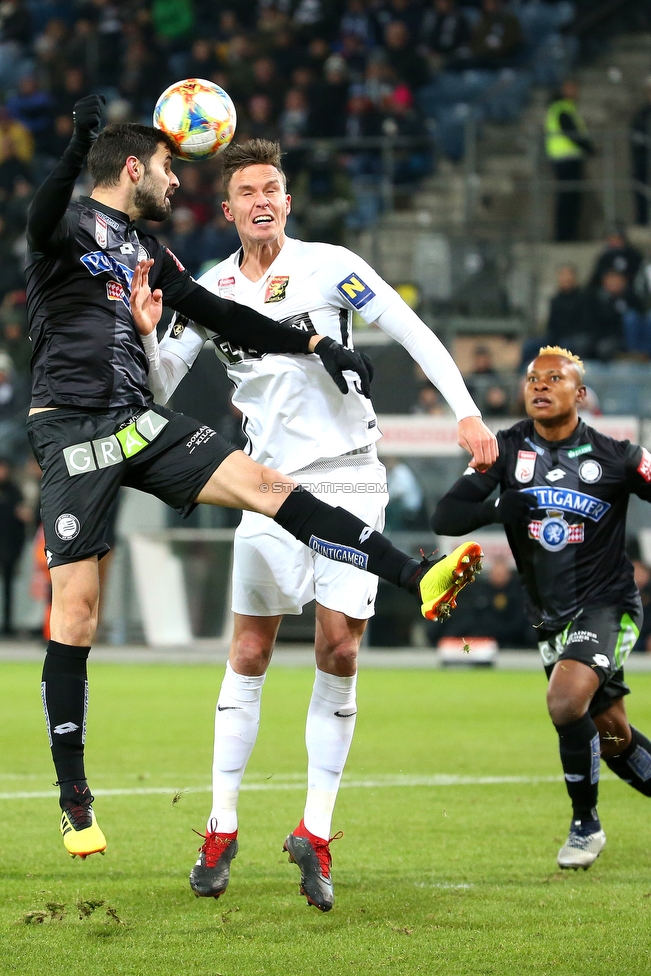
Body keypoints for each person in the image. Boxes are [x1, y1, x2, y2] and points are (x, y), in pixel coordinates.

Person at [26, 97, 489, 865]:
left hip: (142, 419)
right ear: (134, 167)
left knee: (267, 490)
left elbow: (225, 320)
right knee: (77, 614)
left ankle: (417, 574)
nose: (181, 185)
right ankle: (76, 798)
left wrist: (313, 340)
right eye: (173, 170)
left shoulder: (155, 256)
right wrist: (77, 145)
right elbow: (42, 216)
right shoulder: (70, 225)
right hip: (72, 431)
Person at [141, 137, 496, 910]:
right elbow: (160, 382)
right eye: (247, 192)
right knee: (247, 649)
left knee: (338, 648)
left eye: (272, 187)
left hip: (348, 475)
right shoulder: (210, 288)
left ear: (287, 201)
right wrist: (144, 331)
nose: (261, 200)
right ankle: (221, 826)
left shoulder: (329, 265)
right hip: (266, 488)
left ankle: (316, 832)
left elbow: (411, 331)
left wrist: (466, 416)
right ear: (227, 208)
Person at [432, 345, 651, 870]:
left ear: (580, 394)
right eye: (532, 378)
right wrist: (500, 505)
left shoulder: (617, 455)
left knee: (564, 702)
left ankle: (585, 826)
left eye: (554, 378)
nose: (540, 386)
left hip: (608, 605)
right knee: (612, 735)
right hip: (550, 617)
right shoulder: (506, 450)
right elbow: (446, 513)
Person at [545, 79, 594, 243]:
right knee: (567, 200)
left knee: (572, 200)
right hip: (565, 159)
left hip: (570, 159)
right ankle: (564, 237)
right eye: (571, 87)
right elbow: (571, 132)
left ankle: (569, 235)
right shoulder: (561, 108)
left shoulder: (568, 108)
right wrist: (589, 148)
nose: (575, 91)